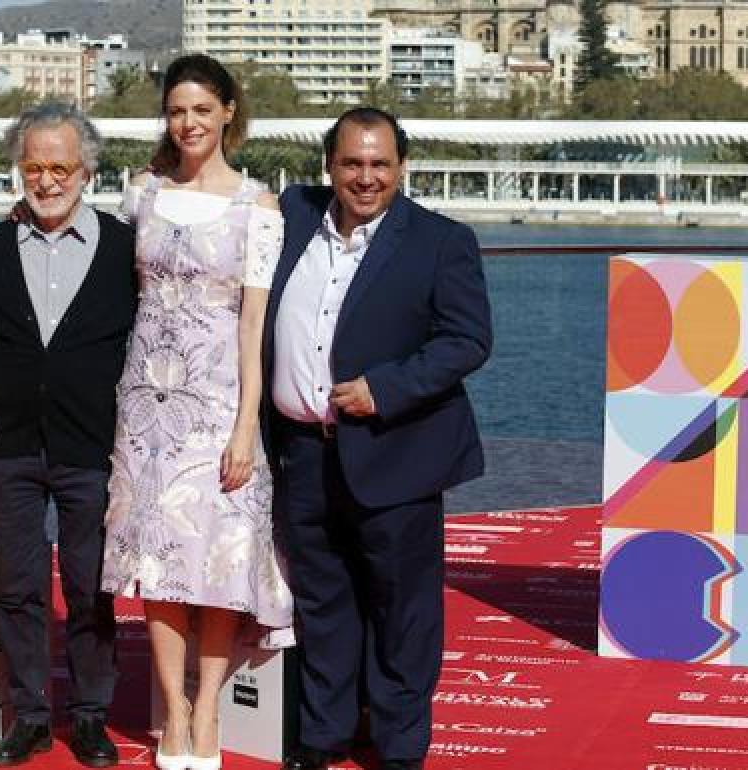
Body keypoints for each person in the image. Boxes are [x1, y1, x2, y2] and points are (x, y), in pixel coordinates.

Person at [268, 107, 492, 770]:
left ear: (400, 167)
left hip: (396, 451)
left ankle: (398, 748)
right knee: (324, 601)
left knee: (403, 611)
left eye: (380, 164)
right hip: (302, 452)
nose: (366, 177)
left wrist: (384, 387)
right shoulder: (292, 216)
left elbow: (467, 339)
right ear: (328, 167)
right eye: (352, 163)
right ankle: (325, 734)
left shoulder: (440, 240)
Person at [99, 54, 292, 770]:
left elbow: (253, 325)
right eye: (177, 112)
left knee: (220, 555)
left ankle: (207, 702)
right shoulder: (140, 194)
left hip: (217, 406)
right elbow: (112, 294)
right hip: (144, 406)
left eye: (202, 111)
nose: (188, 124)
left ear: (228, 114)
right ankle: (172, 710)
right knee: (156, 559)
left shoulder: (258, 208)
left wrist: (246, 424)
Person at [0, 102, 135, 769]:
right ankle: (28, 715)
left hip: (93, 449)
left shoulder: (124, 249)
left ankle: (89, 716)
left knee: (90, 588)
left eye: (60, 166)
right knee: (18, 587)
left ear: (86, 169)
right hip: (8, 448)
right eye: (33, 166)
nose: (47, 180)